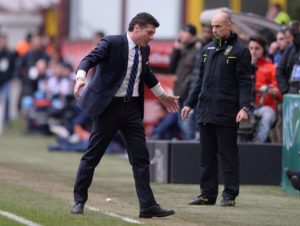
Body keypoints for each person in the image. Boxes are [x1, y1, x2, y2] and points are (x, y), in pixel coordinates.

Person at [71, 12, 177, 218]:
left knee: (141, 158)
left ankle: (147, 206)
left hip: (131, 110)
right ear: (136, 28)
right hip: (108, 108)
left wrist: (163, 96)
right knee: (92, 156)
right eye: (150, 32)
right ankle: (79, 201)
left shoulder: (144, 49)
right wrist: (80, 78)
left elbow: (146, 75)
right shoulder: (111, 42)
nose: (152, 36)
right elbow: (89, 59)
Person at [181, 11, 252, 207]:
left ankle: (229, 195)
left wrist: (244, 107)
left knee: (228, 155)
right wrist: (189, 103)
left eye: (218, 26)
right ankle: (207, 194)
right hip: (205, 110)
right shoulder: (206, 49)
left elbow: (245, 82)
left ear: (229, 25)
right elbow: (199, 81)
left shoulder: (240, 50)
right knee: (206, 156)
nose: (214, 30)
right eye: (212, 26)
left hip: (227, 110)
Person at [248, 36, 282, 143]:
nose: (253, 52)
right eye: (251, 48)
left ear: (264, 50)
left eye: (257, 48)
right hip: (245, 107)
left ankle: (258, 144)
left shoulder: (271, 68)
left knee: (267, 116)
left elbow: (279, 94)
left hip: (265, 107)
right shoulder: (242, 67)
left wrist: (271, 91)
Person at [169, 24, 200, 140]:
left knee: (188, 125)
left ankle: (191, 150)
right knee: (182, 124)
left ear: (192, 35)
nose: (181, 34)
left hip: (189, 93)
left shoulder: (197, 49)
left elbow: (196, 73)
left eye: (184, 32)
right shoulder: (182, 49)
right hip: (179, 92)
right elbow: (171, 68)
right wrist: (176, 49)